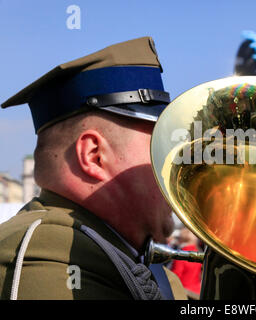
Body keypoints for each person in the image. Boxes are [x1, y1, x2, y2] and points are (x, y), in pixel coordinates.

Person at [0, 37, 186, 300]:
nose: (175, 164)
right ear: (94, 156)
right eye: (160, 145)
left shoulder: (130, 254)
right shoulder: (47, 251)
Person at [170, 228, 203, 299]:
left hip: (184, 292)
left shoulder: (181, 254)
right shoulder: (198, 252)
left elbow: (175, 276)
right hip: (197, 292)